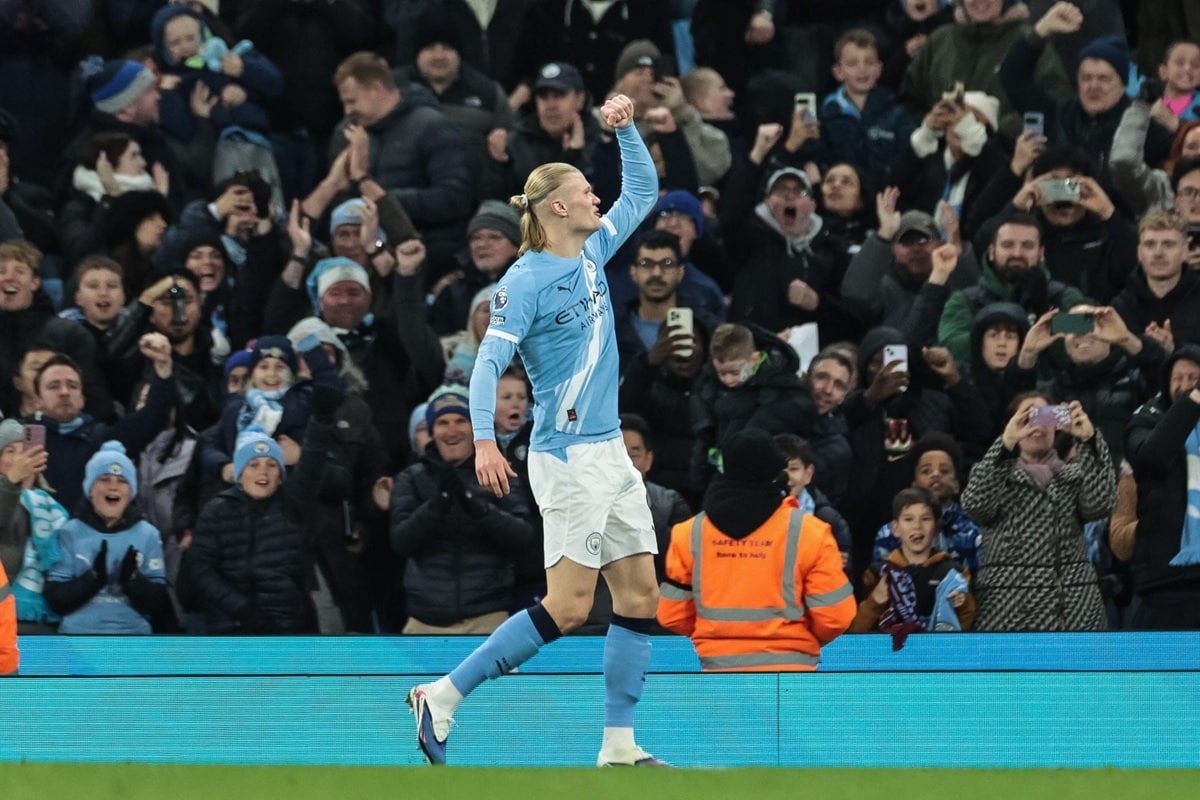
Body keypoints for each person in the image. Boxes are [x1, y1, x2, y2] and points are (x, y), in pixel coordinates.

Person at [406, 93, 666, 768]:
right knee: (571, 606)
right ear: (556, 206)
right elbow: (489, 359)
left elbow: (643, 187)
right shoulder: (522, 282)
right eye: (584, 191)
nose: (596, 200)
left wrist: (626, 129)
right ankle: (444, 694)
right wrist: (488, 438)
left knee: (639, 594)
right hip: (567, 456)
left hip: (610, 452)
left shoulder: (593, 249)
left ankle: (618, 745)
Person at [656, 428, 856, 670]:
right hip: (793, 674)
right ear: (776, 471)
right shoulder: (811, 532)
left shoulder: (689, 533)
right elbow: (836, 617)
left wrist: (718, 639)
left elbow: (672, 614)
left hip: (716, 673)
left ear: (724, 469)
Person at [962, 391, 1116, 631]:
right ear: (1012, 426)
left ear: (1057, 426)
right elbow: (976, 507)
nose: (1038, 426)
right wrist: (1003, 445)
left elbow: (1102, 505)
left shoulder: (1074, 476)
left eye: (1045, 417)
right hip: (1006, 613)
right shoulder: (994, 475)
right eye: (1028, 417)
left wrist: (1089, 440)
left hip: (1074, 611)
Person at [389, 384, 535, 633]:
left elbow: (523, 537)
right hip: (424, 620)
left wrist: (475, 505)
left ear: (475, 428)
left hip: (488, 617)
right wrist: (439, 502)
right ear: (432, 432)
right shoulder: (411, 478)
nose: (452, 430)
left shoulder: (500, 472)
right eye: (443, 423)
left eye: (460, 420)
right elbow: (401, 542)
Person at [43, 442, 174, 634]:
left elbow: (158, 605)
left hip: (134, 637)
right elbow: (56, 600)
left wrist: (133, 580)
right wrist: (92, 579)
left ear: (131, 492)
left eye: (122, 481)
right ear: (90, 490)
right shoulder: (69, 532)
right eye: (104, 479)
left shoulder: (148, 535)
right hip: (79, 637)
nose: (113, 487)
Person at [1122, 346, 1200, 628]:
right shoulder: (1146, 419)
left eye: (1193, 377)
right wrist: (1194, 401)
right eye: (1177, 378)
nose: (1184, 385)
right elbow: (1150, 456)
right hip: (1165, 580)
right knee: (1161, 671)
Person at [850, 486, 975, 641]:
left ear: (936, 527)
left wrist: (962, 606)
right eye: (908, 519)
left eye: (925, 519)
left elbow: (967, 633)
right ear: (896, 528)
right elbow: (855, 632)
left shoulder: (954, 574)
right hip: (891, 660)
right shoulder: (877, 574)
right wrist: (875, 601)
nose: (917, 526)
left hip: (936, 659)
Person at [819, 29, 915, 182]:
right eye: (852, 63)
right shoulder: (826, 114)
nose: (862, 69)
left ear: (879, 69)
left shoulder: (897, 111)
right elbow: (820, 160)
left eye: (869, 62)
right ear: (838, 72)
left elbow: (908, 160)